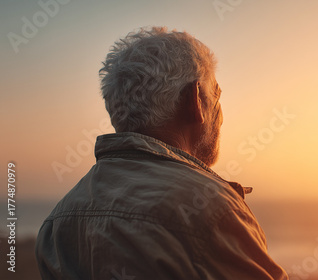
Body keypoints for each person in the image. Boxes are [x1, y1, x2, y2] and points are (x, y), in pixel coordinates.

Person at [35, 26, 289, 280]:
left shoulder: (57, 221)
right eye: (216, 95)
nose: (221, 114)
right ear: (195, 101)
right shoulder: (210, 209)